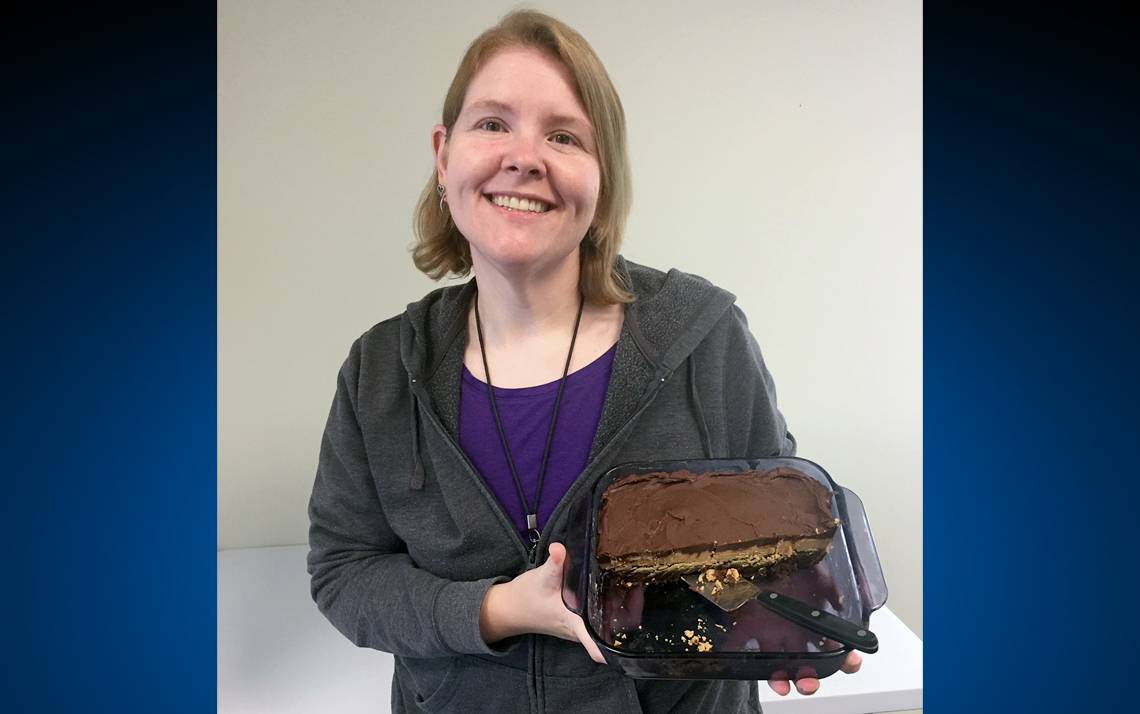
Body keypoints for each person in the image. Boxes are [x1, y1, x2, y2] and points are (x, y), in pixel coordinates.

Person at [307, 9, 860, 713]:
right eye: (492, 123)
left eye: (564, 135)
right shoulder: (380, 370)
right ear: (444, 156)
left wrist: (788, 610)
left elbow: (774, 539)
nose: (524, 156)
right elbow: (344, 573)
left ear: (602, 182)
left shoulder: (704, 337)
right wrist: (503, 609)